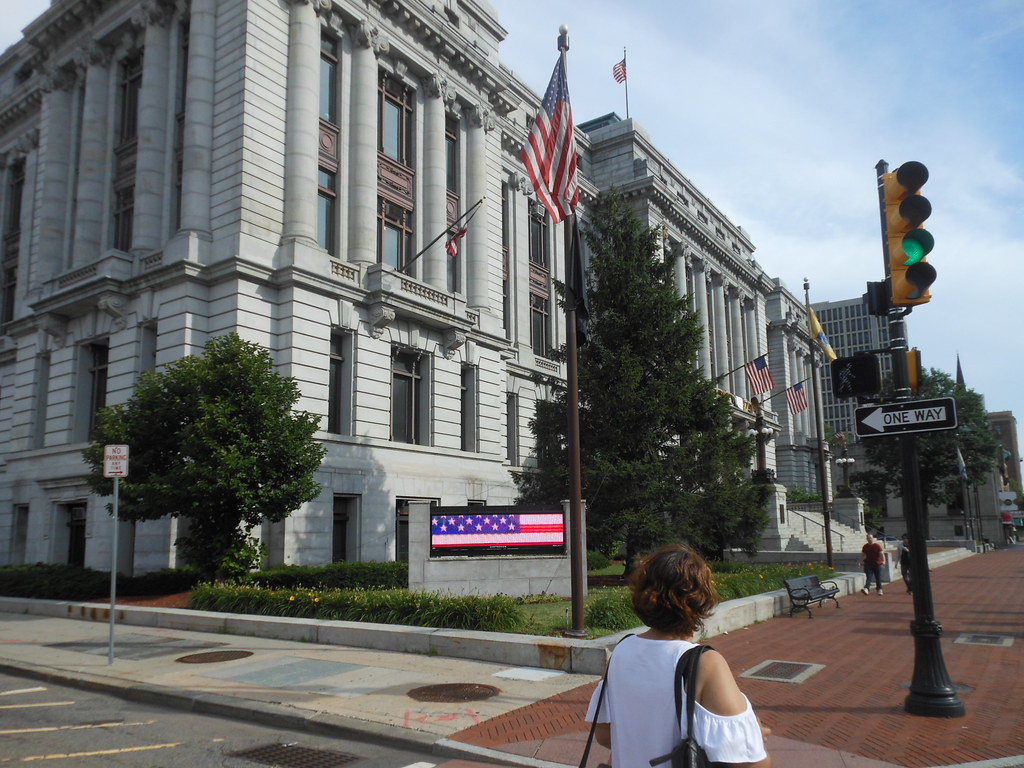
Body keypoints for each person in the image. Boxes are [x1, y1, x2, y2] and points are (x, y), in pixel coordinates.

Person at [585, 544, 771, 768]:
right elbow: (753, 765)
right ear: (701, 600)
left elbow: (604, 735)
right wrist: (754, 740)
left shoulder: (621, 651)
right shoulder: (704, 663)